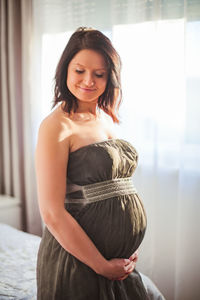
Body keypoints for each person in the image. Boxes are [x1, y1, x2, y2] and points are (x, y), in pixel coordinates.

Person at [35, 27, 163, 300]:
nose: (88, 81)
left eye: (99, 74)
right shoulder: (56, 127)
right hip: (79, 263)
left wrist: (126, 242)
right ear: (65, 70)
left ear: (110, 77)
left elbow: (114, 189)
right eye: (79, 71)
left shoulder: (106, 116)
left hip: (117, 260)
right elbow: (52, 213)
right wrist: (101, 265)